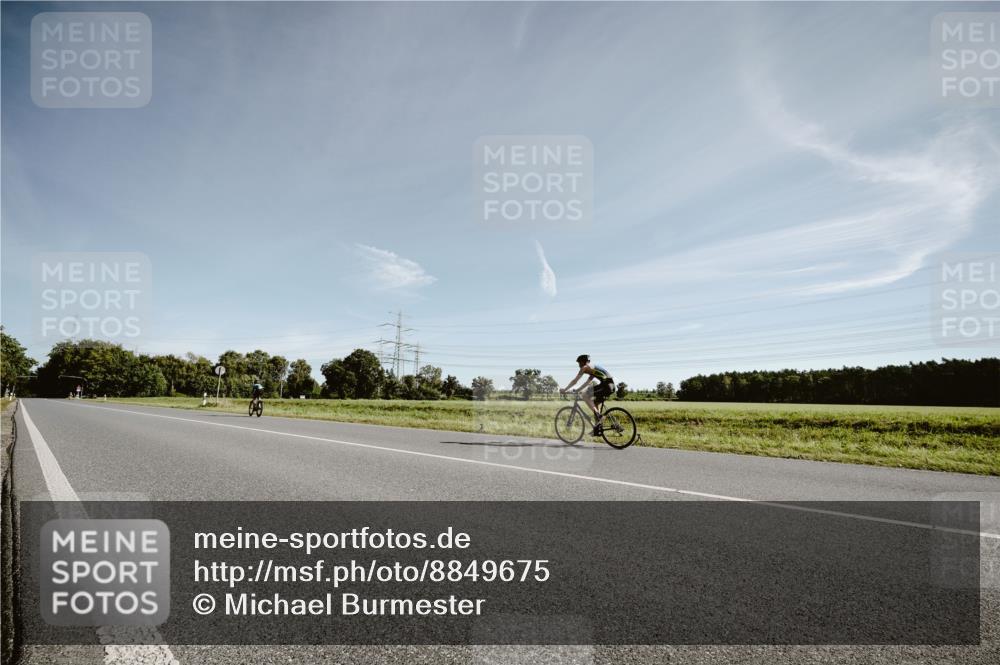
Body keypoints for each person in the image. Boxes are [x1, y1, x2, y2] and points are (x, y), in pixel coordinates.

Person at [560, 354, 614, 434]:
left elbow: (575, 381)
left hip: (605, 385)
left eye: (579, 363)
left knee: (585, 395)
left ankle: (599, 416)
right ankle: (597, 428)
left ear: (582, 362)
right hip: (610, 386)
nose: (578, 365)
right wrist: (578, 390)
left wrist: (565, 389)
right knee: (595, 403)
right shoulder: (593, 368)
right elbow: (587, 383)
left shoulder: (584, 368)